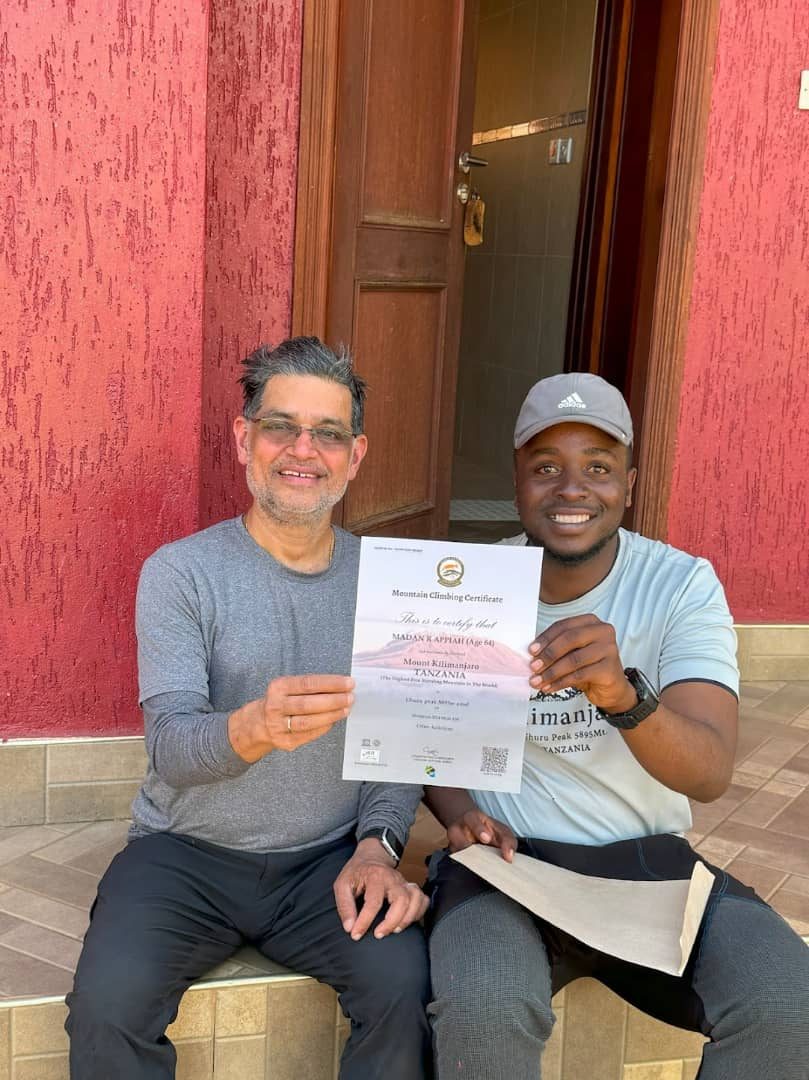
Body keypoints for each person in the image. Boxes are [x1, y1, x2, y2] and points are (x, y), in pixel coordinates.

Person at [425, 372, 809, 1079]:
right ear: (516, 482)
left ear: (628, 484)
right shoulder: (473, 583)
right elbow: (429, 746)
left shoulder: (679, 585)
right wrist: (460, 813)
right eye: (546, 468)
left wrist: (621, 695)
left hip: (643, 865)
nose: (571, 489)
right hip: (507, 869)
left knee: (789, 1007)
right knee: (482, 1008)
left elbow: (709, 771)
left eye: (596, 468)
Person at [65, 337, 431, 1079]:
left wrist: (378, 846)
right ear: (243, 438)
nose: (304, 450)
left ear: (354, 455)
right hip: (183, 856)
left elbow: (400, 746)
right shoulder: (181, 573)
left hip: (327, 861)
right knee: (106, 1009)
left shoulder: (394, 583)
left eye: (327, 433)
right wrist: (252, 728)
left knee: (406, 989)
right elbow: (170, 747)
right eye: (280, 426)